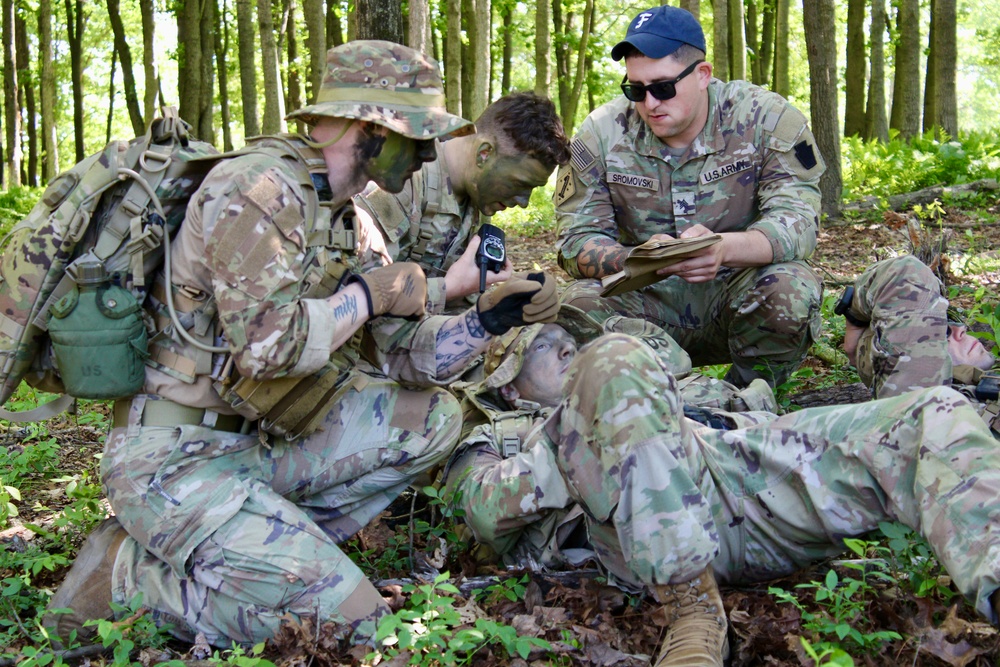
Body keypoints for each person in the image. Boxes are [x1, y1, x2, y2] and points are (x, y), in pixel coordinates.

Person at [43, 40, 551, 650]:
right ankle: (131, 579)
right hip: (173, 459)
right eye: (416, 137)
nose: (426, 154)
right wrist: (366, 294)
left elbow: (398, 355)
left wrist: (485, 323)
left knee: (432, 417)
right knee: (352, 628)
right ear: (368, 128)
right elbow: (266, 350)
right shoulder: (256, 190)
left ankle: (275, 551)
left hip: (259, 444)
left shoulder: (344, 217)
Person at [446, 316, 1000, 666]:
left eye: (571, 341)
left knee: (935, 413)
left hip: (738, 473)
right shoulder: (498, 436)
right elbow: (481, 510)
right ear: (511, 391)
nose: (568, 349)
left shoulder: (671, 384)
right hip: (638, 529)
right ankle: (694, 612)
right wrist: (580, 437)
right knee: (614, 358)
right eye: (547, 348)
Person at [554, 5, 825, 389]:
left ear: (702, 75)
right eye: (636, 89)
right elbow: (575, 240)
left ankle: (750, 396)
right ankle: (660, 398)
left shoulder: (766, 119)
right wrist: (640, 259)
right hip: (645, 303)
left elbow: (798, 221)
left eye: (663, 87)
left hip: (737, 296)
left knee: (790, 288)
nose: (649, 103)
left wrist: (723, 249)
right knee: (577, 306)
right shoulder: (602, 133)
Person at [352, 92, 571, 386]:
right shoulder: (399, 185)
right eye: (521, 185)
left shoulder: (474, 197)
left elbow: (463, 298)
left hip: (425, 340)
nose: (523, 202)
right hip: (370, 356)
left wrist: (511, 292)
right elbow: (354, 301)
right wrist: (449, 288)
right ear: (484, 154)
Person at [840, 254, 995, 398]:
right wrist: (854, 321)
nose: (961, 329)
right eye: (942, 331)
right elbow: (905, 272)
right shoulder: (920, 405)